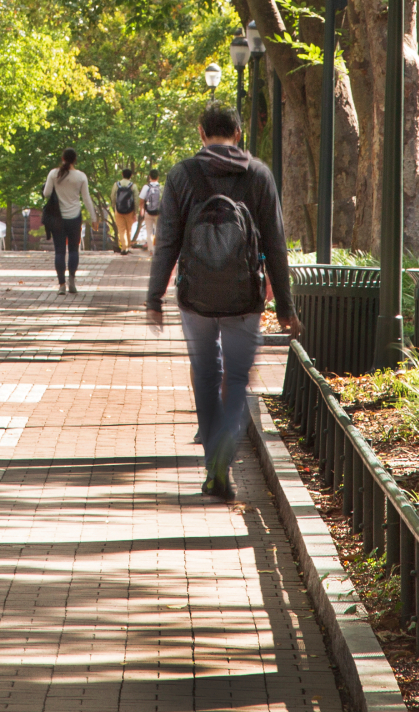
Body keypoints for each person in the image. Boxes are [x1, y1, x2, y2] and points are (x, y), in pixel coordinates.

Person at [146, 104, 300, 503]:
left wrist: (154, 297)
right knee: (235, 379)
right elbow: (276, 245)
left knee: (204, 371)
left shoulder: (182, 175)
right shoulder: (259, 175)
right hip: (245, 296)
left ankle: (212, 455)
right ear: (237, 132)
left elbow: (167, 242)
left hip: (194, 296)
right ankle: (223, 454)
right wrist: (285, 306)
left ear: (201, 132)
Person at [42, 149, 91, 294]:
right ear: (75, 159)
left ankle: (61, 285)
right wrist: (94, 217)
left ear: (62, 158)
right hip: (75, 217)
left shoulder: (53, 173)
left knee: (59, 251)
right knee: (74, 250)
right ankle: (72, 281)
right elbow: (86, 199)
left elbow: (46, 193)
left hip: (58, 218)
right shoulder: (81, 176)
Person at [110, 168, 140, 255]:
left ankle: (124, 248)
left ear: (122, 174)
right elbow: (136, 199)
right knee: (128, 229)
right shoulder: (133, 186)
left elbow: (113, 196)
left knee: (121, 229)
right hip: (129, 211)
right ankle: (126, 247)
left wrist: (114, 205)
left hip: (119, 210)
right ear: (131, 176)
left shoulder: (117, 184)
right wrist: (136, 211)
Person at [138, 169, 164, 255]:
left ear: (149, 177)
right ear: (158, 177)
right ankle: (158, 249)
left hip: (148, 212)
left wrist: (142, 210)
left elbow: (141, 200)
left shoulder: (146, 187)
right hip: (158, 213)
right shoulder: (161, 188)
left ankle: (151, 250)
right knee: (158, 231)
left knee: (149, 232)